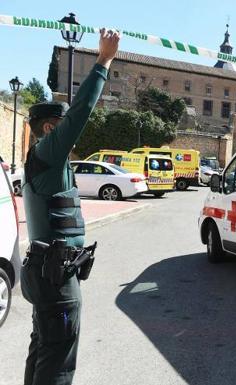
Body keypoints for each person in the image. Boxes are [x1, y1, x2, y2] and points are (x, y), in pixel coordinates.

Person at [20, 29, 119, 385]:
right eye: (61, 128)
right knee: (59, 359)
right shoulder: (47, 151)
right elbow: (79, 115)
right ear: (49, 127)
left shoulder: (41, 161)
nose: (69, 136)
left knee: (44, 348)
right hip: (56, 279)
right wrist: (103, 61)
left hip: (49, 274)